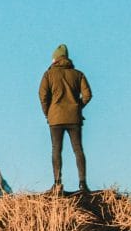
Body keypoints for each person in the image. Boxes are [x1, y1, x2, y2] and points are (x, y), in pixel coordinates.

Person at [39, 43, 92, 193]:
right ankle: (83, 184)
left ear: (54, 59)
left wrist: (48, 112)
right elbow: (88, 95)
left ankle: (57, 183)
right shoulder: (78, 74)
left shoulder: (48, 75)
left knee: (56, 149)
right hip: (74, 118)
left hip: (55, 118)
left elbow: (42, 96)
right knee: (78, 149)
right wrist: (77, 106)